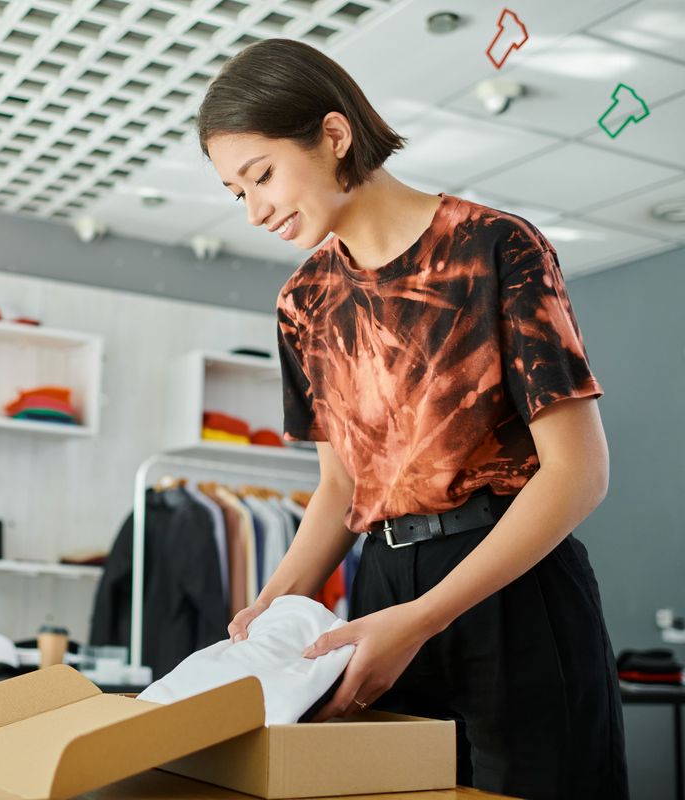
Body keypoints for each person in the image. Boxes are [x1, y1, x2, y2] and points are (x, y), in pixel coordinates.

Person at [202, 39, 627, 799]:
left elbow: (580, 473)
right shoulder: (303, 302)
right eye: (238, 193)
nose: (256, 210)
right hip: (383, 586)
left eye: (261, 175)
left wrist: (423, 618)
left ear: (334, 135)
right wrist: (272, 602)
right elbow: (341, 488)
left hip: (509, 582)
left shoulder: (497, 246)